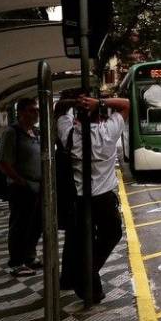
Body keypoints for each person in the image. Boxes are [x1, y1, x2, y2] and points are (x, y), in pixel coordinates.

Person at [57, 94, 130, 303]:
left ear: (76, 118)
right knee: (112, 233)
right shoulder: (108, 132)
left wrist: (75, 102)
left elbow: (59, 110)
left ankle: (86, 282)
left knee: (82, 242)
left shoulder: (68, 133)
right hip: (104, 199)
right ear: (100, 118)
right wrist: (99, 102)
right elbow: (127, 104)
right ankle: (86, 276)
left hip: (79, 200)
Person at [0, 98, 43, 276]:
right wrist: (20, 181)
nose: (36, 113)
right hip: (21, 188)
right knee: (19, 225)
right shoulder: (12, 132)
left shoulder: (36, 132)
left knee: (35, 224)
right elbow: (2, 162)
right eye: (32, 110)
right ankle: (16, 262)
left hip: (37, 187)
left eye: (36, 110)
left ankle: (29, 256)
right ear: (21, 112)